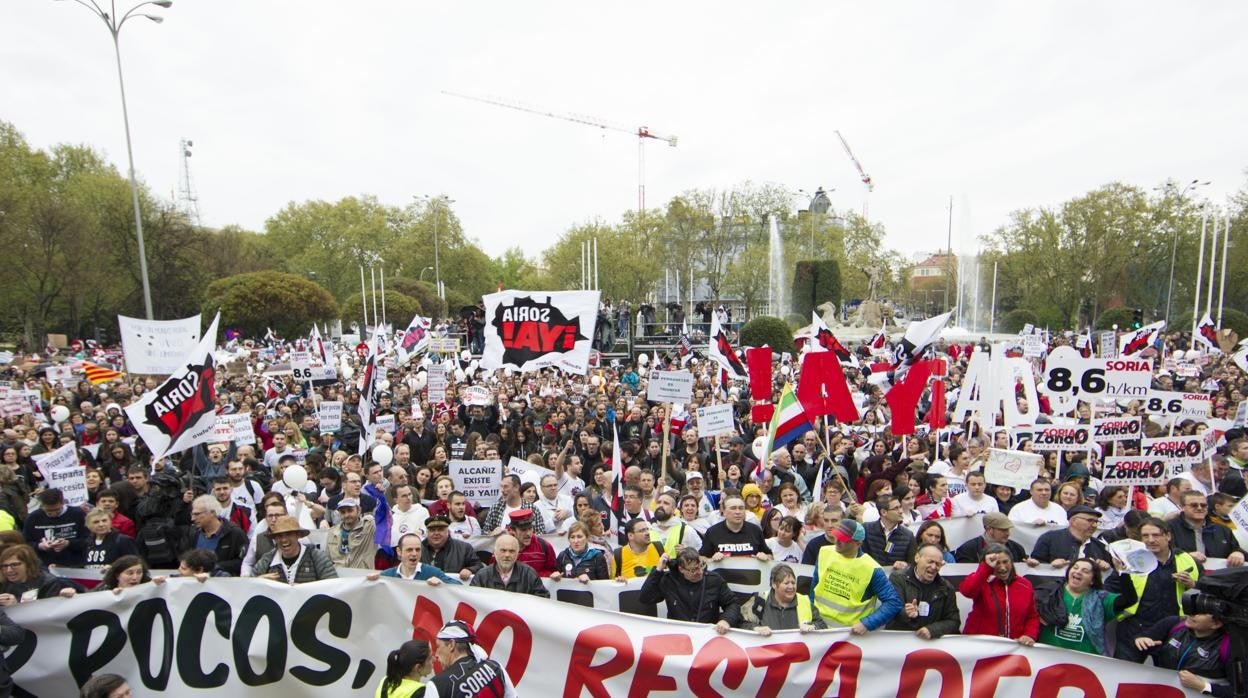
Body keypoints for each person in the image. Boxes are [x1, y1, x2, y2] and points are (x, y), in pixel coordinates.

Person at [1107, 517, 1203, 662]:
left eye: (1156, 535)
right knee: (1124, 675)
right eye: (1145, 536)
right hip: (1133, 628)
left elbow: (1205, 593)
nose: (1150, 540)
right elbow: (1108, 591)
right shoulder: (1128, 560)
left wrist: (1192, 585)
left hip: (1172, 630)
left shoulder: (1188, 560)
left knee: (1169, 679)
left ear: (1168, 536)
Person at [810, 519, 903, 634]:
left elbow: (893, 602)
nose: (837, 541)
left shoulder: (872, 569)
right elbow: (814, 588)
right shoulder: (825, 552)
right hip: (818, 627)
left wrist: (867, 623)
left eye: (843, 539)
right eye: (837, 535)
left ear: (858, 544)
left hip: (848, 635)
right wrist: (810, 616)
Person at [1036, 557, 1138, 655]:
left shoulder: (1101, 599)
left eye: (1085, 571)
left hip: (1085, 662)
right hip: (1048, 657)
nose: (1078, 572)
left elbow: (1130, 599)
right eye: (1075, 568)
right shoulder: (1049, 592)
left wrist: (1123, 573)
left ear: (1093, 580)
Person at [639, 547, 741, 633]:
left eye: (701, 566)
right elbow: (646, 598)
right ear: (681, 569)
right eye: (693, 570)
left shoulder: (714, 579)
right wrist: (658, 571)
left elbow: (732, 603)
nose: (700, 572)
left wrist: (726, 620)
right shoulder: (668, 580)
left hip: (707, 634)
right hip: (679, 635)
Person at [1133, 611, 1234, 696]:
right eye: (1193, 608)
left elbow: (1241, 692)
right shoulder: (1173, 623)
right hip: (1161, 691)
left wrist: (1204, 687)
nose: (1193, 613)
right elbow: (1135, 643)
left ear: (1216, 624)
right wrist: (1141, 642)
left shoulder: (1230, 646)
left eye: (1201, 613)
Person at [958, 542, 1040, 645]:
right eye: (997, 563)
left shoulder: (1025, 585)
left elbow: (1032, 616)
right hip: (979, 647)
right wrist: (985, 568)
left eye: (1006, 562)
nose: (1002, 567)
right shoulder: (981, 580)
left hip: (1013, 648)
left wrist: (1029, 635)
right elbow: (967, 591)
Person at [886, 543, 961, 639]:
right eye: (930, 562)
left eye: (938, 564)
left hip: (929, 645)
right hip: (900, 641)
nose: (934, 567)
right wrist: (905, 612)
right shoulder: (898, 578)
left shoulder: (946, 588)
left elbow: (954, 621)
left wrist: (933, 630)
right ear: (917, 558)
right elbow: (890, 611)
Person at [425, 621, 518, 698]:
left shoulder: (436, 686)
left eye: (438, 646)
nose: (436, 654)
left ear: (451, 645)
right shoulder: (495, 667)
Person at [741, 563, 828, 635]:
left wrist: (812, 627)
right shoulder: (759, 600)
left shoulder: (805, 601)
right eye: (786, 583)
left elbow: (822, 625)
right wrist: (756, 628)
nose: (791, 587)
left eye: (793, 583)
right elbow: (741, 623)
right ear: (774, 584)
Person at [253, 516, 339, 583]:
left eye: (289, 534)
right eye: (279, 536)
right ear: (275, 539)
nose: (284, 540)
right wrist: (259, 581)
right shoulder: (267, 559)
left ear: (298, 535)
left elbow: (332, 585)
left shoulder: (316, 556)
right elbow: (248, 585)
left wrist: (305, 589)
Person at [1168, 491, 1245, 566]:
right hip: (1182, 575)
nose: (1199, 508)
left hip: (1218, 576)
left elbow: (1235, 548)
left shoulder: (1222, 529)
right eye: (1194, 505)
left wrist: (1238, 553)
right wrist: (1185, 556)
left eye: (1203, 505)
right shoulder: (1169, 528)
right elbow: (1162, 554)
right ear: (1182, 507)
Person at [1027, 504, 1111, 570]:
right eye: (1090, 520)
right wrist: (1051, 566)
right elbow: (1036, 565)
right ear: (1073, 521)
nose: (1094, 525)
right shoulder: (1050, 538)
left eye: (1096, 522)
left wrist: (1106, 566)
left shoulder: (1100, 546)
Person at [185, 495, 249, 576]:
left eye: (197, 514)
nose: (192, 519)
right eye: (192, 514)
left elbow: (245, 562)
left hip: (224, 584)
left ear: (212, 513)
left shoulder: (234, 533)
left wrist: (218, 567)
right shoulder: (193, 533)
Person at [22, 488, 87, 567]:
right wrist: (40, 546)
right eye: (48, 510)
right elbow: (25, 543)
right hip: (44, 565)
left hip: (74, 563)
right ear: (42, 505)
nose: (53, 513)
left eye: (57, 509)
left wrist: (68, 543)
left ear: (63, 503)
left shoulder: (78, 514)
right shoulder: (33, 517)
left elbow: (88, 539)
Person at [470, 534, 549, 597]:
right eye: (503, 550)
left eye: (511, 551)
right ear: (495, 552)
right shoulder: (482, 576)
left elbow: (543, 598)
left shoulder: (529, 574)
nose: (507, 555)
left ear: (517, 554)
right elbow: (471, 600)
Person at [0, 544, 81, 605]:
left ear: (28, 564)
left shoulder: (48, 582)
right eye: (4, 566)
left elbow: (47, 612)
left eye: (14, 565)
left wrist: (16, 605)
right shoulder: (4, 583)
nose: (8, 570)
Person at [699, 495, 770, 562]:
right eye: (733, 508)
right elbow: (701, 557)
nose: (738, 512)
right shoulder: (712, 532)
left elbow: (770, 556)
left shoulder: (755, 530)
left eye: (741, 508)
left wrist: (765, 557)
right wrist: (712, 560)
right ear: (723, 511)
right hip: (721, 574)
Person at [423, 515, 483, 582]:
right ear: (427, 532)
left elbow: (478, 565)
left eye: (440, 530)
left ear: (448, 532)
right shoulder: (418, 548)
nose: (436, 533)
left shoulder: (464, 548)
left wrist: (470, 570)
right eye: (432, 530)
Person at [862, 494, 915, 570]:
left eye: (900, 507)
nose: (901, 511)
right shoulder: (866, 529)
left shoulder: (908, 535)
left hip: (894, 578)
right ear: (883, 512)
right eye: (896, 508)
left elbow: (913, 564)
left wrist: (905, 565)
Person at [954, 512, 1026, 563]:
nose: (1008, 533)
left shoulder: (1017, 549)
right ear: (989, 529)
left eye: (1008, 529)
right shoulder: (967, 550)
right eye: (1003, 530)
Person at [328, 498, 379, 569]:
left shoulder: (369, 525)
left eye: (350, 510)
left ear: (359, 510)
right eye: (343, 512)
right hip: (340, 576)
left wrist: (381, 497)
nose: (346, 515)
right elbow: (327, 560)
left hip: (362, 576)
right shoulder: (332, 532)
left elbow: (385, 520)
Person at [505, 509, 557, 577]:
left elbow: (553, 571)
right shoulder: (503, 547)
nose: (528, 534)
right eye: (523, 530)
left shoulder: (545, 546)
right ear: (513, 531)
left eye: (530, 529)